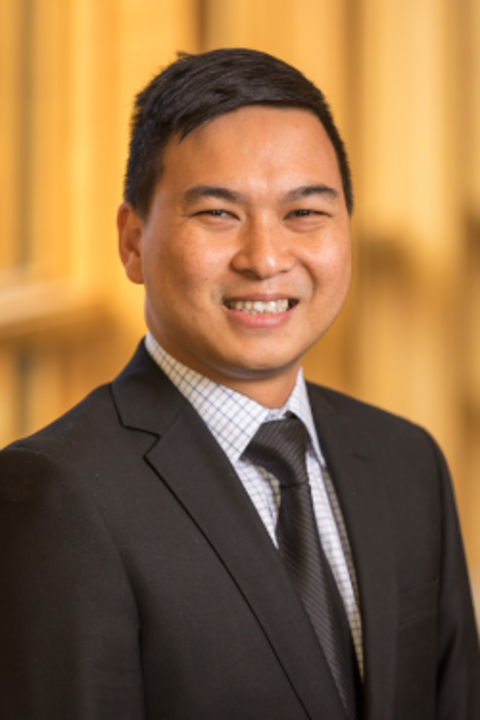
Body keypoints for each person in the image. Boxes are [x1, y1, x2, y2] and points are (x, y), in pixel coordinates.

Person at [0, 48, 479, 720]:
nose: (267, 258)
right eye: (219, 214)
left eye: (305, 213)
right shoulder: (55, 496)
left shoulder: (406, 461)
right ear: (133, 240)